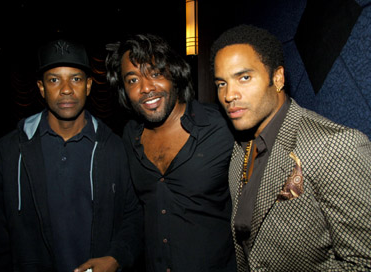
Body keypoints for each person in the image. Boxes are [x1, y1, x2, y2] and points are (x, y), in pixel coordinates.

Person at [0, 38, 143, 272]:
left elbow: (133, 216)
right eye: (54, 80)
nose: (66, 89)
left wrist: (116, 257)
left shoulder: (114, 148)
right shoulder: (8, 152)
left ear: (89, 86)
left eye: (75, 79)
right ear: (41, 88)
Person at [210, 24, 371, 271]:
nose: (229, 94)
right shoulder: (239, 147)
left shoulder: (335, 146)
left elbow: (363, 262)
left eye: (244, 77)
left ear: (278, 78)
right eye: (221, 83)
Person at [104, 33, 237, 272]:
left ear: (174, 74)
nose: (146, 88)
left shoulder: (222, 127)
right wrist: (116, 257)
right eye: (133, 80)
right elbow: (136, 214)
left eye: (155, 73)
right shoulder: (129, 138)